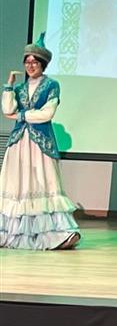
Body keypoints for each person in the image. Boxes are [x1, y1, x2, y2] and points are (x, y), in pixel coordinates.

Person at [0, 33, 81, 250]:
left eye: (35, 62)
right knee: (18, 184)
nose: (30, 66)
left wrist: (21, 115)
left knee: (43, 183)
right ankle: (11, 233)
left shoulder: (51, 85)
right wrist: (9, 86)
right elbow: (7, 109)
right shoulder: (19, 88)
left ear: (42, 64)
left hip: (40, 143)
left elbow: (47, 114)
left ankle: (57, 234)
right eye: (27, 62)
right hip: (19, 142)